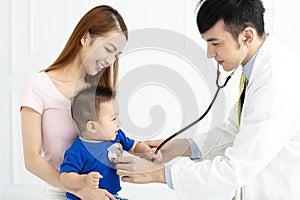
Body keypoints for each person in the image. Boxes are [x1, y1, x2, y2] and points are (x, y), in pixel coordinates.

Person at [114, 0, 300, 199]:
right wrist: (181, 147)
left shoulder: (276, 81)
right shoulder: (258, 71)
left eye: (215, 43)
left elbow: (234, 169)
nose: (209, 53)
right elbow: (234, 132)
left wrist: (159, 174)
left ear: (246, 36)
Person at [20, 5, 128, 200]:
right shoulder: (38, 86)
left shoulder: (99, 94)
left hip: (106, 194)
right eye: (109, 49)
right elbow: (32, 160)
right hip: (60, 193)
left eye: (116, 55)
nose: (111, 61)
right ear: (85, 37)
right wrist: (80, 190)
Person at [60, 86, 158, 200]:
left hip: (112, 196)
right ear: (92, 127)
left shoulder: (116, 136)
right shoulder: (78, 151)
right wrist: (84, 180)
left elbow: (135, 146)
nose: (119, 123)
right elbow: (64, 177)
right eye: (113, 119)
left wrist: (147, 151)